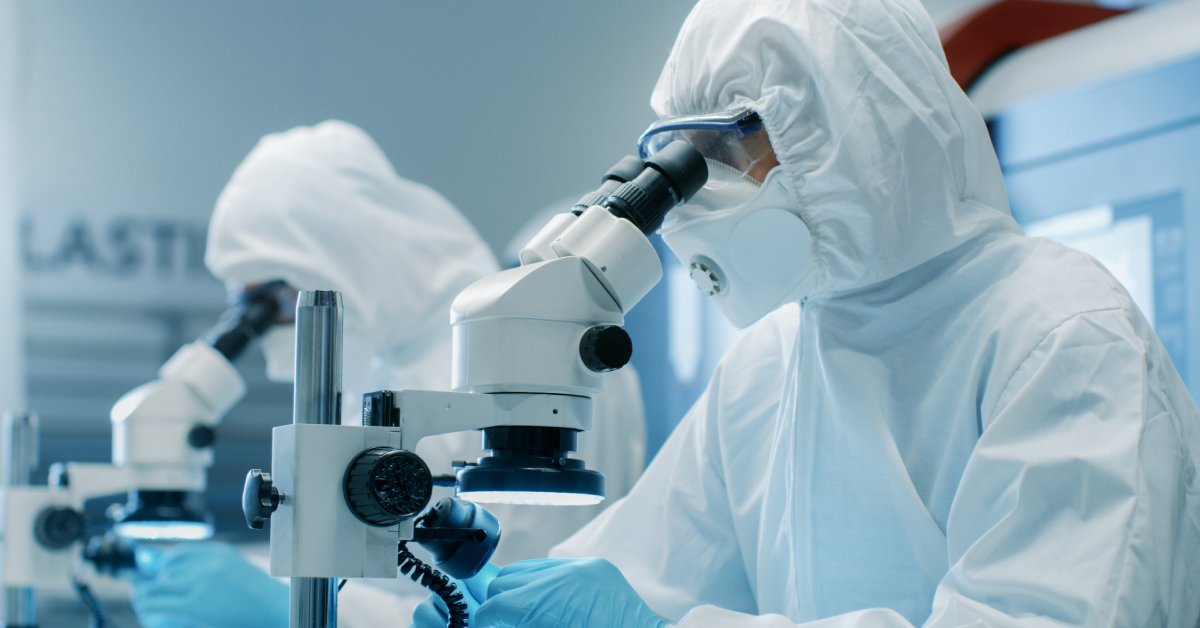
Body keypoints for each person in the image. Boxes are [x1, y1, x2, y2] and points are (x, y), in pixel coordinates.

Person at [413, 0, 1200, 626]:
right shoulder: (771, 360)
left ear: (856, 129)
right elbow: (637, 576)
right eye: (686, 159)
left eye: (727, 149)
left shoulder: (1062, 335)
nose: (698, 202)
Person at [130, 120, 647, 627]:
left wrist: (276, 603)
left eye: (273, 301)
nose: (272, 330)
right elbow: (381, 571)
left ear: (343, 256)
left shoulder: (522, 346)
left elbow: (516, 603)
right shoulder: (387, 369)